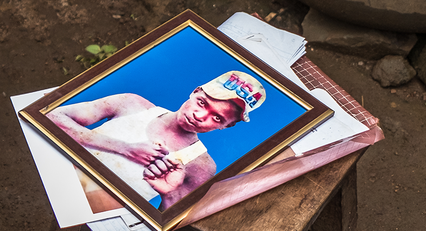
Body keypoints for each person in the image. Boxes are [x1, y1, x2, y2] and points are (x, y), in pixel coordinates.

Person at [48, 70, 266, 211]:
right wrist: (124, 148)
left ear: (226, 126)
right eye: (202, 103)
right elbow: (52, 117)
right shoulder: (132, 104)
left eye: (217, 117)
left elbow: (168, 222)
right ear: (195, 91)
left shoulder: (202, 166)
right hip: (51, 175)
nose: (200, 116)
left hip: (87, 216)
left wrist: (169, 193)